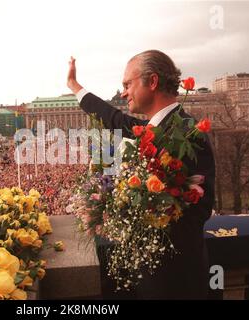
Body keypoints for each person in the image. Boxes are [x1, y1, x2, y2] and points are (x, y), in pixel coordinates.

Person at [67, 50, 215, 299]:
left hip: (176, 282)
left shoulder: (188, 132)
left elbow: (201, 209)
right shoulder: (152, 128)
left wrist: (130, 210)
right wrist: (74, 86)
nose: (123, 93)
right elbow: (113, 118)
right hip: (153, 275)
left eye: (127, 84)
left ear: (153, 82)